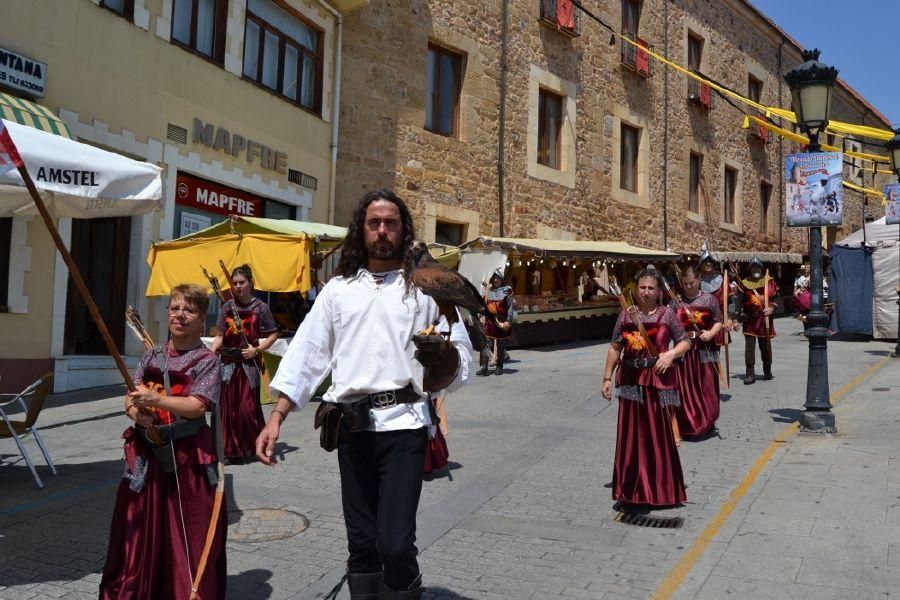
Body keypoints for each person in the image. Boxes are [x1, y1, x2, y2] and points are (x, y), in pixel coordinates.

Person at [256, 190, 473, 600]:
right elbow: (307, 354)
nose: (383, 230)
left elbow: (460, 357)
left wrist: (444, 359)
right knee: (362, 544)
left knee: (395, 542)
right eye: (374, 223)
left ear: (403, 230)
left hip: (404, 428)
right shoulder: (338, 291)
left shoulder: (424, 289)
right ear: (362, 230)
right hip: (350, 428)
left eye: (391, 222)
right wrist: (277, 416)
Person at [100, 284, 226, 599]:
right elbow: (130, 399)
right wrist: (136, 414)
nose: (179, 315)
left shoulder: (206, 361)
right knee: (140, 536)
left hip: (188, 462)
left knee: (188, 538)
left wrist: (156, 398)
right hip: (147, 461)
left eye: (189, 310)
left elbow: (198, 406)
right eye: (174, 308)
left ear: (201, 320)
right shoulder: (152, 354)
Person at [601, 268, 692, 508]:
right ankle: (631, 491)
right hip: (631, 380)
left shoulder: (667, 314)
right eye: (642, 287)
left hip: (657, 380)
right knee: (632, 437)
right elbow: (614, 347)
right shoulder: (625, 316)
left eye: (651, 288)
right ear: (636, 289)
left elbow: (685, 341)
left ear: (659, 291)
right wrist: (607, 378)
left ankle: (661, 491)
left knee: (658, 436)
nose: (646, 292)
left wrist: (670, 354)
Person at [210, 264, 278, 462]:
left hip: (248, 365)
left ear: (251, 283)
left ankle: (252, 445)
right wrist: (210, 353)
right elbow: (220, 336)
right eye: (235, 283)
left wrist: (257, 349)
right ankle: (228, 450)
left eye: (242, 282)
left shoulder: (261, 308)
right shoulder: (227, 307)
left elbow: (273, 334)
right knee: (227, 410)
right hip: (228, 364)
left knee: (246, 409)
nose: (238, 286)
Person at [672, 265, 723, 437]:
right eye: (685, 283)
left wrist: (711, 333)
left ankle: (708, 422)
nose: (687, 287)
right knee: (685, 388)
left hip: (705, 349)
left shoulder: (709, 300)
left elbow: (718, 321)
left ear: (698, 279)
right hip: (683, 350)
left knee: (706, 387)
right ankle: (688, 425)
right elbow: (666, 323)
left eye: (691, 283)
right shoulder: (676, 301)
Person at [734, 257, 778, 385]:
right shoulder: (744, 283)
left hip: (765, 320)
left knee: (765, 346)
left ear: (761, 268)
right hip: (750, 319)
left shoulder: (769, 282)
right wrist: (735, 318)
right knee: (749, 348)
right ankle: (749, 373)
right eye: (753, 267)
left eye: (757, 267)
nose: (756, 269)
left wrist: (772, 308)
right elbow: (738, 302)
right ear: (750, 269)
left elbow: (776, 299)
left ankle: (767, 370)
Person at [478, 270, 514, 376]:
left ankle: (499, 366)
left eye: (497, 278)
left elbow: (510, 307)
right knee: (486, 345)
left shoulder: (507, 290)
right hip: (490, 322)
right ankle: (484, 367)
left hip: (502, 321)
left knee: (501, 345)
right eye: (494, 278)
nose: (495, 280)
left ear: (501, 279)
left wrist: (508, 320)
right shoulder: (488, 291)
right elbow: (483, 305)